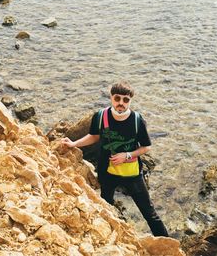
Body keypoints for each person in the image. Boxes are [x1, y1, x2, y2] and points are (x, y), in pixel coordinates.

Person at [61, 82, 169, 237]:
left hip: (132, 174)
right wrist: (74, 144)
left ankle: (167, 246)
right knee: (107, 206)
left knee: (149, 213)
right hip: (107, 170)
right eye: (117, 98)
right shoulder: (100, 116)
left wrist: (127, 155)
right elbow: (94, 136)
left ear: (130, 101)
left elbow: (146, 147)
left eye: (125, 100)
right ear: (111, 97)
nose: (121, 103)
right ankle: (111, 236)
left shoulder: (137, 120)